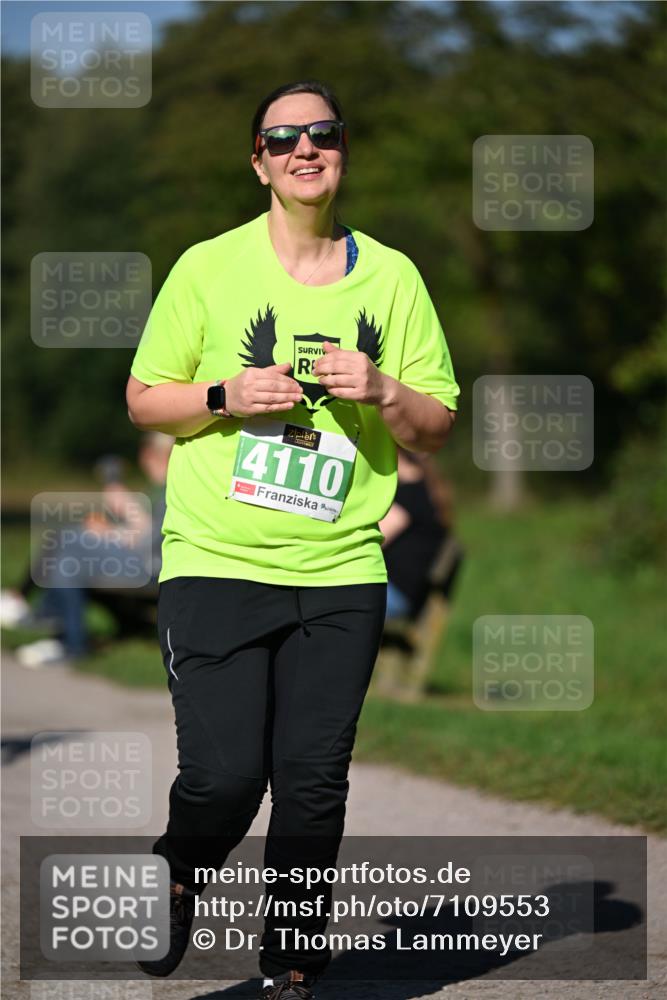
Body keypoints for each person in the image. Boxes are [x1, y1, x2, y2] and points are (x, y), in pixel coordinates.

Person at [125, 79, 460, 1000]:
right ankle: (180, 866)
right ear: (259, 163)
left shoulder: (391, 279)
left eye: (323, 134)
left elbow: (433, 429)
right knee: (226, 778)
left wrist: (385, 389)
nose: (305, 149)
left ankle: (292, 965)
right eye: (283, 139)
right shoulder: (207, 267)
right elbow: (146, 398)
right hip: (217, 562)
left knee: (312, 780)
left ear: (343, 150)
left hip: (343, 564)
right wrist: (227, 395)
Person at [8, 433, 172, 667]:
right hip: (146, 561)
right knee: (69, 540)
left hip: (153, 569)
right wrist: (113, 529)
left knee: (70, 548)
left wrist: (112, 532)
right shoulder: (160, 489)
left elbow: (150, 543)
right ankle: (54, 625)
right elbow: (147, 534)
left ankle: (57, 628)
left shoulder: (171, 489)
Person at [379, 448, 453, 621]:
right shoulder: (426, 490)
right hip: (405, 593)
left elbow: (370, 540)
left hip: (395, 594)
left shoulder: (407, 496)